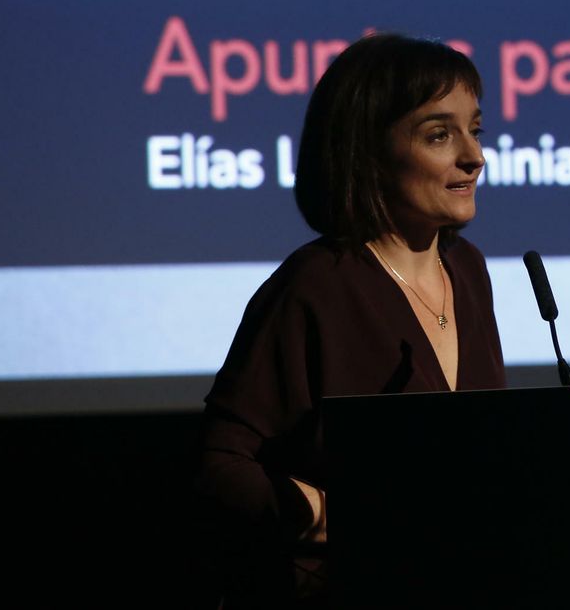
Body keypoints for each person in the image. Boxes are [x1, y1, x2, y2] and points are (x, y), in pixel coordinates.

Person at [194, 34, 506, 607]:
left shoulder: (468, 269)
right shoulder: (318, 286)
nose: (474, 156)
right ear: (368, 153)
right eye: (440, 135)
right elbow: (217, 468)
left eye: (475, 130)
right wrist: (328, 515)